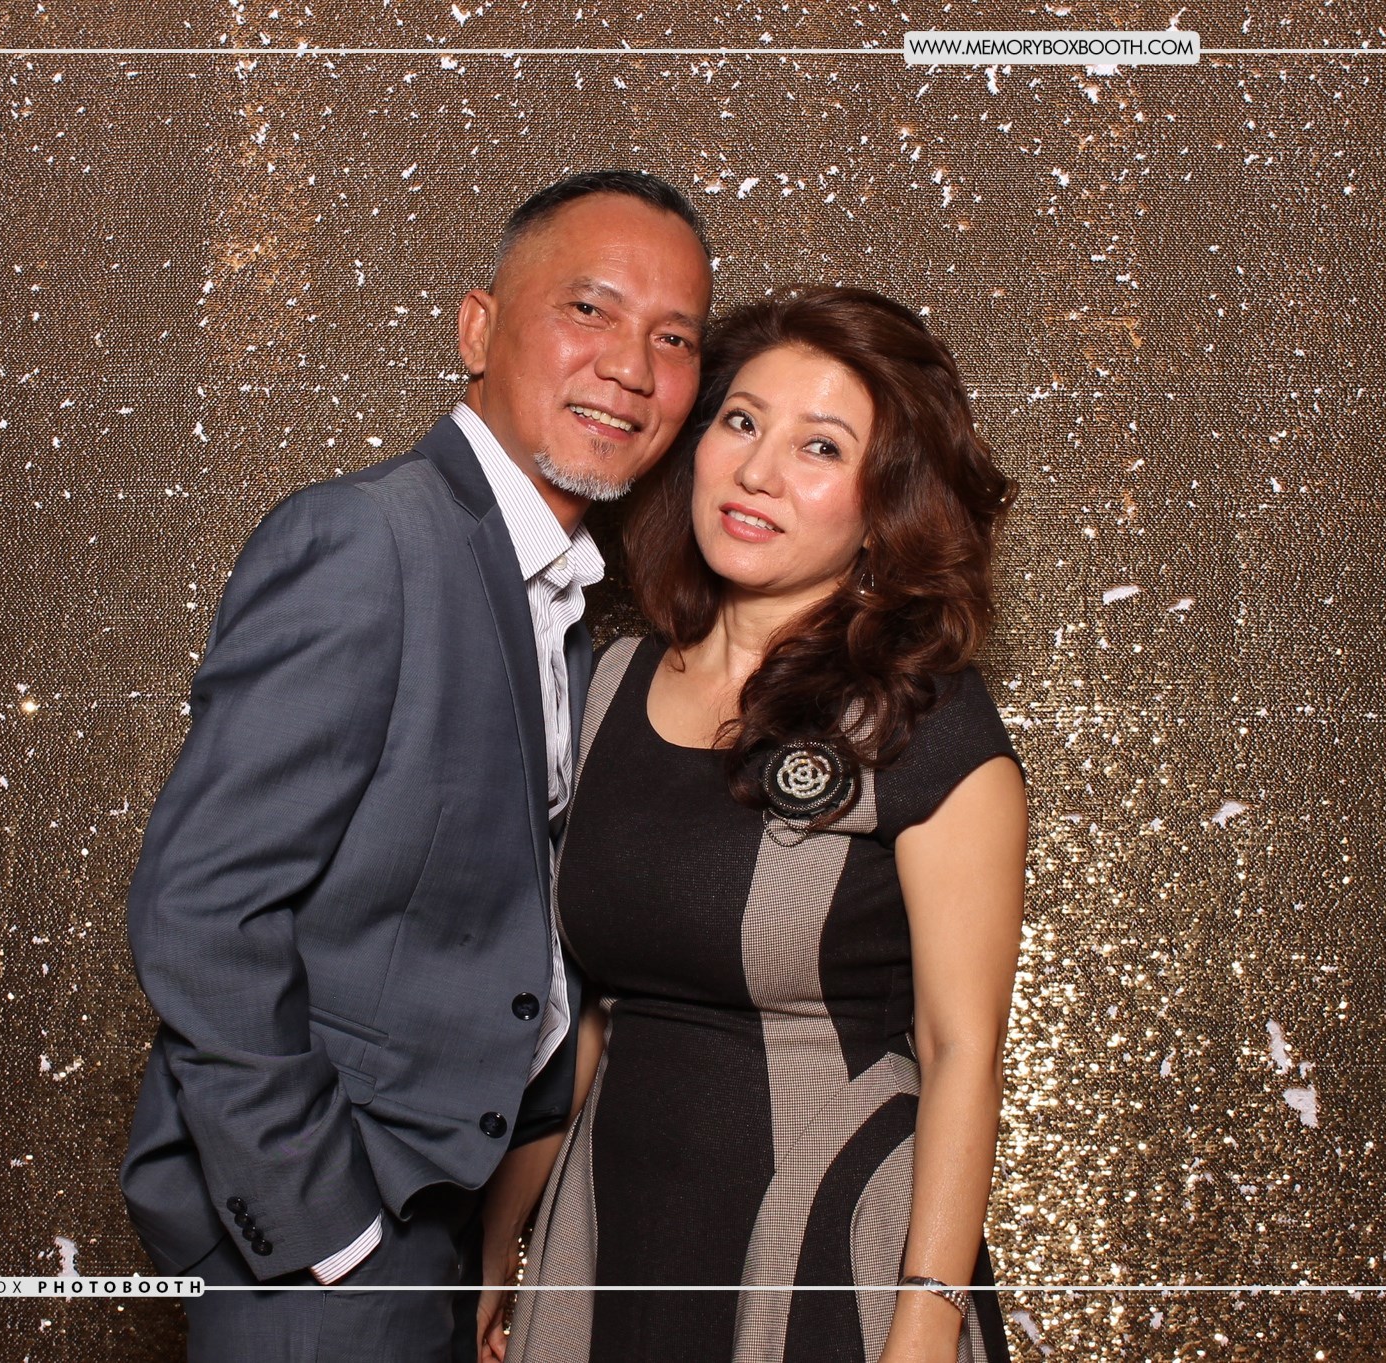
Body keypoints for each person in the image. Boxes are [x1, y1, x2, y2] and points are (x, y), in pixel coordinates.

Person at [120, 170, 713, 1362]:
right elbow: (201, 908)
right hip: (330, 1245)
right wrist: (332, 1233)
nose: (629, 367)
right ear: (477, 329)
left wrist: (484, 1236)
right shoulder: (366, 540)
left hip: (441, 1225)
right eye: (587, 310)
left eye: (674, 338)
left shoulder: (562, 602)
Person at [480, 286, 1028, 1363]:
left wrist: (925, 1325)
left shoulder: (926, 722)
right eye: (740, 420)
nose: (758, 471)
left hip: (828, 1243)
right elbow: (585, 1019)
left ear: (886, 505)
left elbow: (960, 1050)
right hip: (610, 1234)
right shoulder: (605, 683)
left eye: (820, 446)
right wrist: (498, 1245)